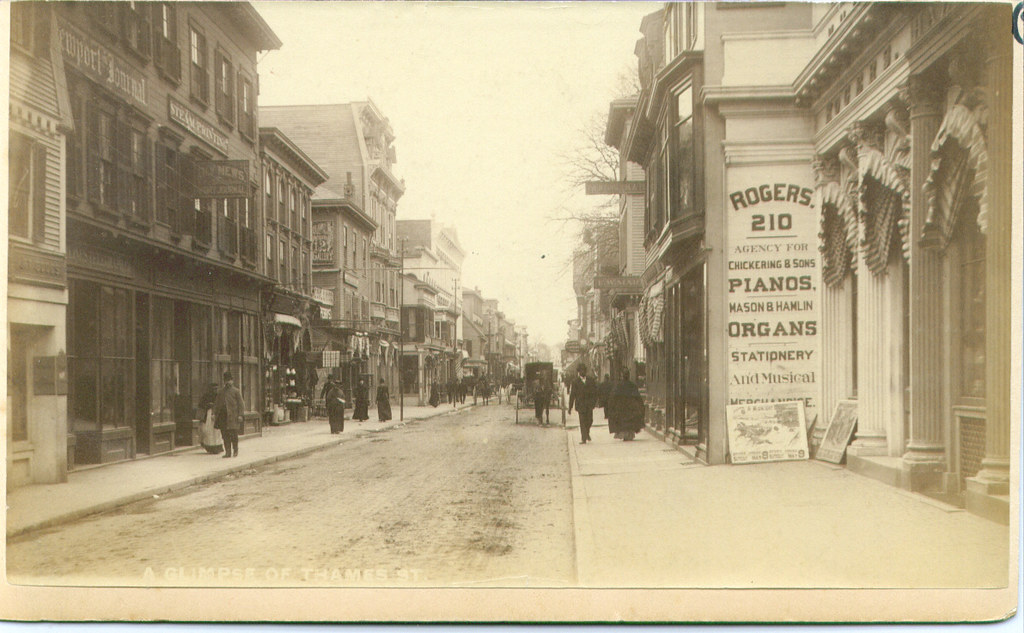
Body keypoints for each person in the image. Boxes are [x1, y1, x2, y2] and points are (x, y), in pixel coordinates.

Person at [606, 367, 645, 441]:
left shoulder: (618, 386)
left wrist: (612, 407)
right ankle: (629, 435)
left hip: (621, 408)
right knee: (629, 422)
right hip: (630, 408)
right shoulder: (632, 385)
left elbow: (613, 398)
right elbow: (638, 397)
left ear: (622, 376)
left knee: (623, 422)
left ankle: (625, 435)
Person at [214, 371, 244, 458]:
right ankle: (228, 452)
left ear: (232, 381)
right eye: (226, 380)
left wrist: (240, 415)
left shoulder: (236, 391)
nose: (228, 382)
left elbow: (241, 404)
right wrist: (214, 413)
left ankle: (235, 450)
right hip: (223, 417)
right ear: (224, 381)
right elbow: (216, 404)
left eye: (229, 380)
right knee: (225, 435)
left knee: (234, 434)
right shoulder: (221, 392)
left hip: (233, 417)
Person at [568, 365, 598, 444]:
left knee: (590, 420)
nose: (583, 372)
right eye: (581, 371)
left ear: (586, 371)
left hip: (589, 405)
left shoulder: (591, 380)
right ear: (579, 372)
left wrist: (594, 402)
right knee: (582, 421)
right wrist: (570, 407)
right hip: (580, 405)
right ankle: (583, 438)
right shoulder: (575, 382)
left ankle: (587, 433)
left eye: (584, 370)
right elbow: (572, 395)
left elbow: (595, 392)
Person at [197, 382, 223, 454]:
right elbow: (201, 405)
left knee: (217, 432)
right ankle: (209, 447)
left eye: (216, 389)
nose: (215, 390)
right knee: (208, 431)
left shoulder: (219, 396)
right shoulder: (206, 396)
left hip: (216, 415)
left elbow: (222, 405)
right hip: (208, 415)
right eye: (214, 389)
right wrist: (208, 405)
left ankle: (217, 447)